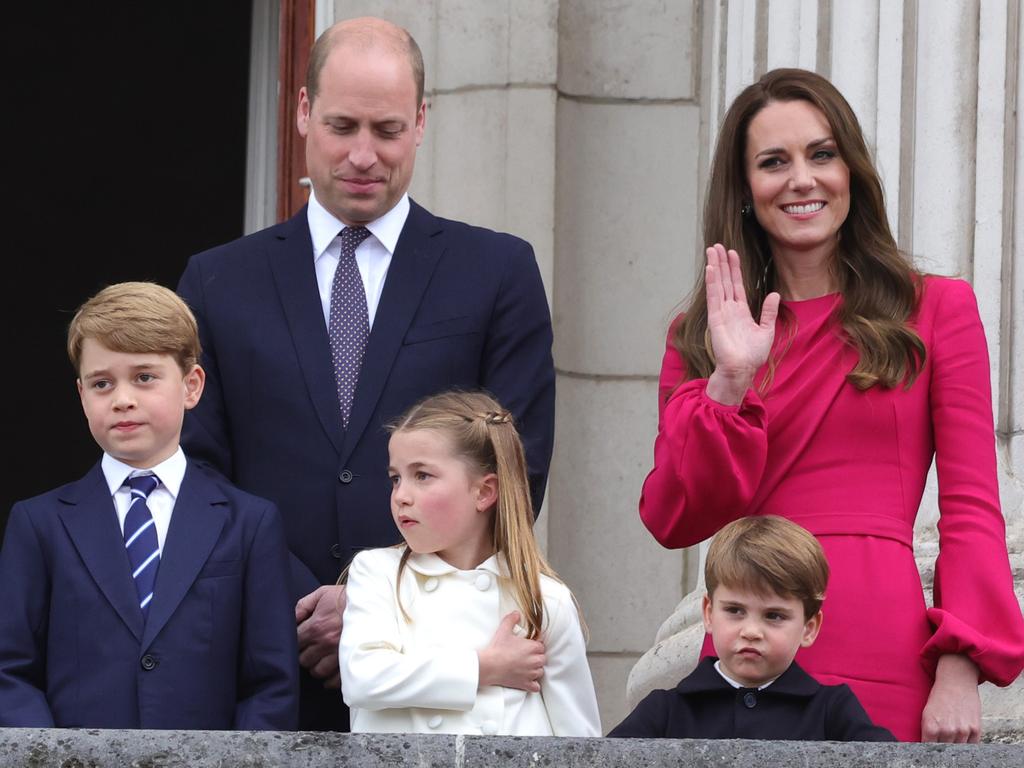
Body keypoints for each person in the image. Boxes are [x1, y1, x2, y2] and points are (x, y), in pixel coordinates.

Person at [177, 18, 555, 729]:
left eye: (385, 129)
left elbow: (514, 464)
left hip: (439, 669)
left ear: (420, 123)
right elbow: (194, 468)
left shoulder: (496, 273)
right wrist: (290, 597)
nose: (362, 155)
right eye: (341, 125)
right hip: (260, 664)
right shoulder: (218, 281)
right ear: (300, 113)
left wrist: (376, 598)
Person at [638, 68, 1024, 742]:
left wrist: (961, 663)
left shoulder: (935, 310)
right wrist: (728, 382)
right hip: (750, 650)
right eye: (773, 162)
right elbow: (675, 517)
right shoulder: (700, 336)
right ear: (745, 189)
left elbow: (971, 507)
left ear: (852, 169)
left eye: (822, 154)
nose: (802, 179)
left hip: (882, 642)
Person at [0, 282, 298, 729]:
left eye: (144, 377)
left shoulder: (250, 523)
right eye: (102, 383)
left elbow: (270, 685)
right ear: (82, 395)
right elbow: (10, 672)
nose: (123, 399)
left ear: (191, 386)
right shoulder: (38, 523)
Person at [339, 391, 600, 736]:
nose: (401, 495)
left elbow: (579, 741)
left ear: (484, 492)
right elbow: (363, 679)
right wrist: (484, 668)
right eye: (395, 478)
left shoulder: (544, 599)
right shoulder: (378, 573)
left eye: (422, 476)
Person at [610, 516, 893, 740]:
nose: (751, 631)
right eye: (735, 611)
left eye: (773, 616)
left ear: (809, 627)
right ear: (708, 613)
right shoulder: (666, 711)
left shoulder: (832, 711)